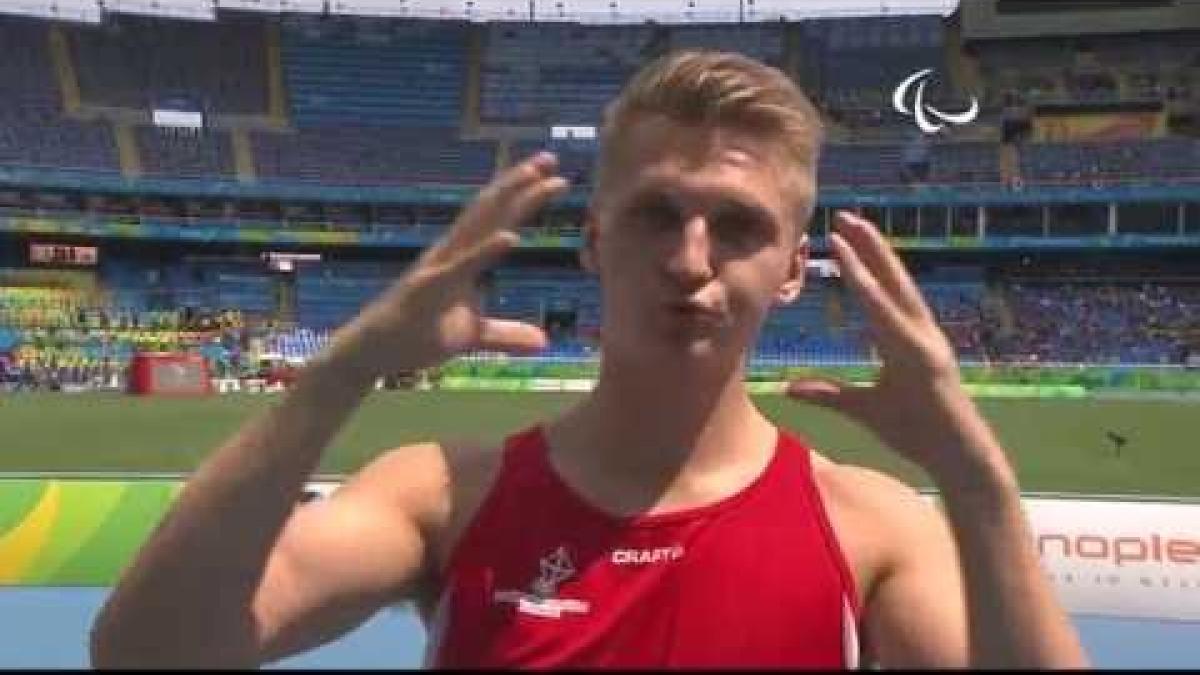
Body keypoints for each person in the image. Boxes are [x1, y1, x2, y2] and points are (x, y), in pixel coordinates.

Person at [90, 51, 1087, 669]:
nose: (691, 260)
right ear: (592, 242)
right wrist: (339, 374)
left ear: (792, 270)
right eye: (656, 213)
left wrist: (975, 478)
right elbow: (146, 654)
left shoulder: (868, 526)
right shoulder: (444, 495)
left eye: (738, 225)